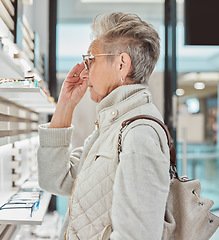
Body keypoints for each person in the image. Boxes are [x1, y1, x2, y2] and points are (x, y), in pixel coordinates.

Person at [37, 12, 170, 240]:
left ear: (121, 64)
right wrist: (66, 105)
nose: (85, 73)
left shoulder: (138, 135)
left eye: (91, 60)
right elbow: (55, 179)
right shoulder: (113, 127)